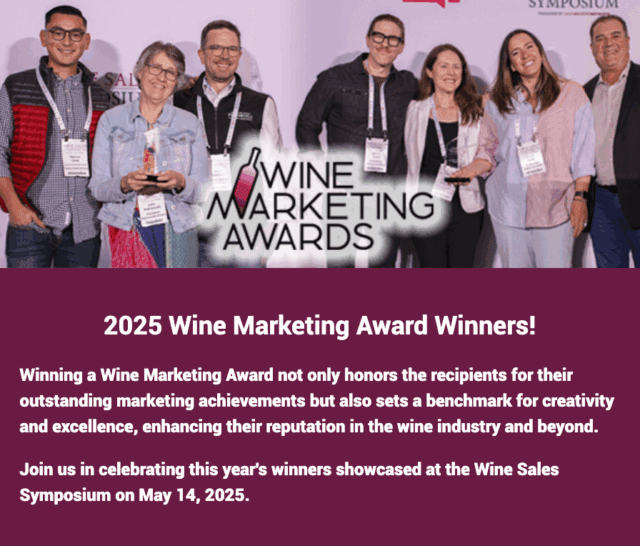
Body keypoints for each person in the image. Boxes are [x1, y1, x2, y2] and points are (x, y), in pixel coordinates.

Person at [453, 29, 595, 268]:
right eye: (516, 53)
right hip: (508, 208)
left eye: (529, 47)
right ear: (511, 65)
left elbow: (584, 151)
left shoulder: (572, 93)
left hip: (556, 208)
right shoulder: (496, 102)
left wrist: (581, 197)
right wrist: (471, 170)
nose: (525, 55)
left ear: (540, 51)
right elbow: (487, 150)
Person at [296, 13, 418, 267]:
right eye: (379, 36)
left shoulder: (408, 85)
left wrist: (480, 100)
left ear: (402, 47)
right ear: (368, 39)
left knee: (383, 267)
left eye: (393, 39)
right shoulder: (335, 78)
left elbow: (444, 98)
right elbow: (307, 125)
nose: (385, 44)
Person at [0, 5, 111, 268]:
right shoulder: (17, 86)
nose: (67, 41)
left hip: (84, 230)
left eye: (75, 34)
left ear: (86, 41)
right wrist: (14, 207)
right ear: (44, 37)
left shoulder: (101, 96)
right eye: (58, 32)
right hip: (29, 226)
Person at [89, 42, 208, 268]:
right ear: (139, 71)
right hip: (126, 225)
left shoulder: (190, 123)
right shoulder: (111, 120)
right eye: (155, 67)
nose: (161, 77)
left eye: (170, 72)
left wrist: (181, 182)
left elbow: (203, 190)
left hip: (178, 228)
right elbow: (97, 187)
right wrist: (124, 183)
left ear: (176, 81)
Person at [174, 20, 282, 267]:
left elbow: (273, 169)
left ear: (239, 55)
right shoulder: (179, 102)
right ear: (202, 54)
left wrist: (269, 232)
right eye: (216, 48)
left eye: (232, 48)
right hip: (193, 232)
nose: (225, 55)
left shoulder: (260, 103)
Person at [405, 44, 485, 268]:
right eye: (444, 66)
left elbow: (489, 152)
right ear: (429, 72)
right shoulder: (414, 110)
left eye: (457, 67)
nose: (451, 72)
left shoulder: (476, 111)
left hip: (466, 208)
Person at [584, 15, 640, 268]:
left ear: (627, 41)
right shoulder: (583, 93)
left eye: (615, 35)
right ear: (592, 48)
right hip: (601, 203)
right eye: (600, 38)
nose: (608, 43)